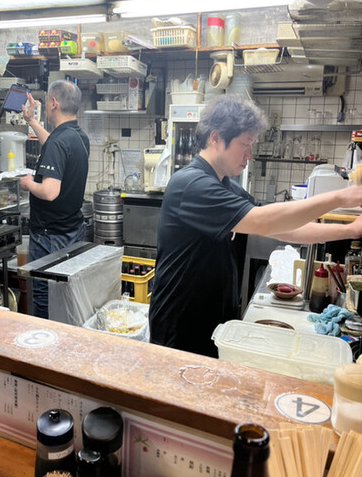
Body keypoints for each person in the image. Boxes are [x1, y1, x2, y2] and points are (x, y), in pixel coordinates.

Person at [149, 94, 362, 357]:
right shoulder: (191, 185)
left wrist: (350, 230)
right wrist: (340, 197)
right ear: (216, 138)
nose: (249, 155)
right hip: (179, 329)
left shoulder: (225, 186)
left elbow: (280, 227)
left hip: (210, 324)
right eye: (245, 144)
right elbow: (263, 221)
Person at [20, 80, 90, 318]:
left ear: (53, 103)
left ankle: (45, 337)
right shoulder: (77, 136)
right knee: (64, 294)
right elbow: (53, 145)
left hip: (49, 235)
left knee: (44, 296)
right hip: (71, 229)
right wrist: (31, 121)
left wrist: (28, 184)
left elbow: (50, 192)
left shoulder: (59, 142)